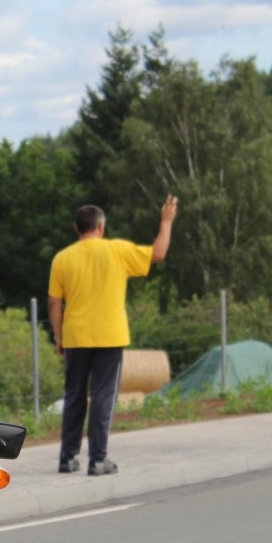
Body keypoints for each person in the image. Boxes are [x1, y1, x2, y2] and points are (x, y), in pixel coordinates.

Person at [47, 195, 178, 477]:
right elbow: (158, 254)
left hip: (75, 337)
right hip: (110, 335)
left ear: (77, 228)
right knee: (104, 396)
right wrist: (166, 222)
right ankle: (98, 459)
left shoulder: (62, 258)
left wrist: (59, 337)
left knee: (74, 396)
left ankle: (67, 457)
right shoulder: (117, 250)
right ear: (101, 227)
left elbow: (54, 303)